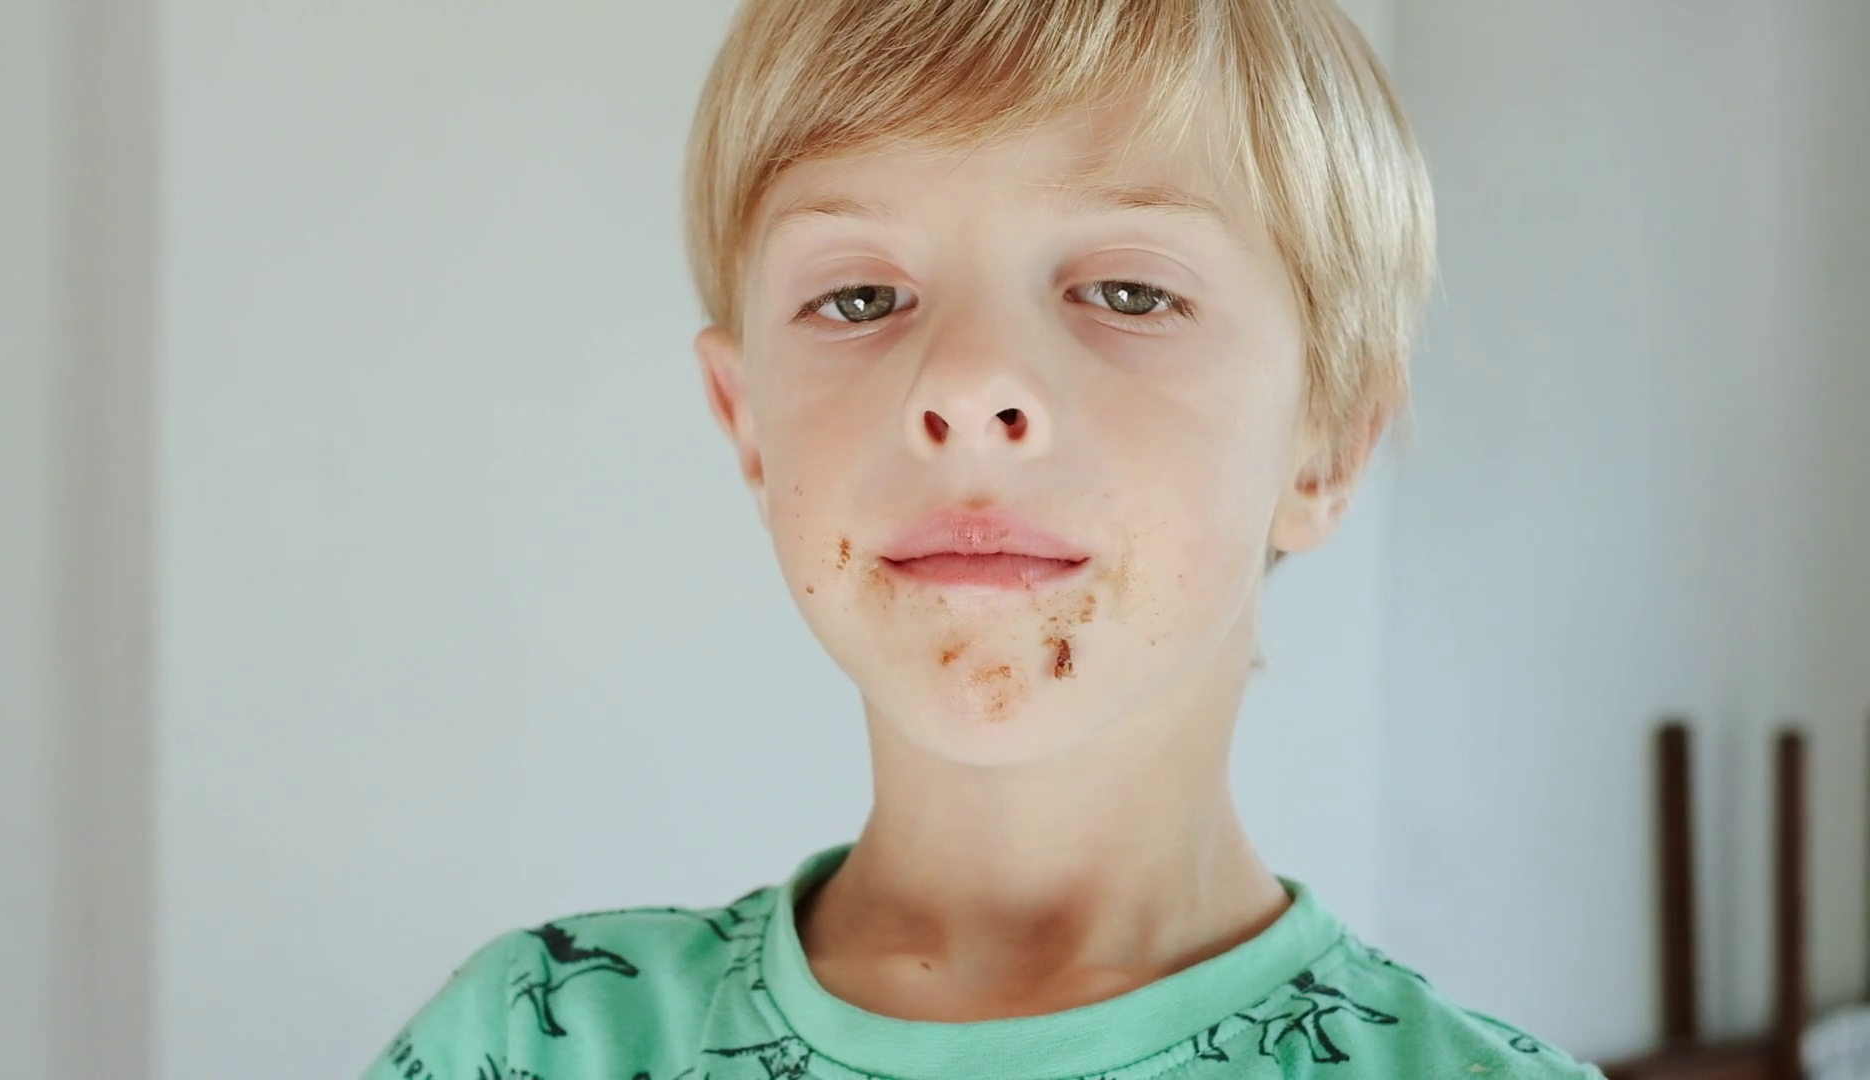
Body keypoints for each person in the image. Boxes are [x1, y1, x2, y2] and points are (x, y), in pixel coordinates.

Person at [365, 1, 1603, 1077]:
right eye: (861, 298)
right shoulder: (531, 1044)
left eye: (1129, 293)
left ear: (1325, 444)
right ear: (748, 424)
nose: (966, 385)